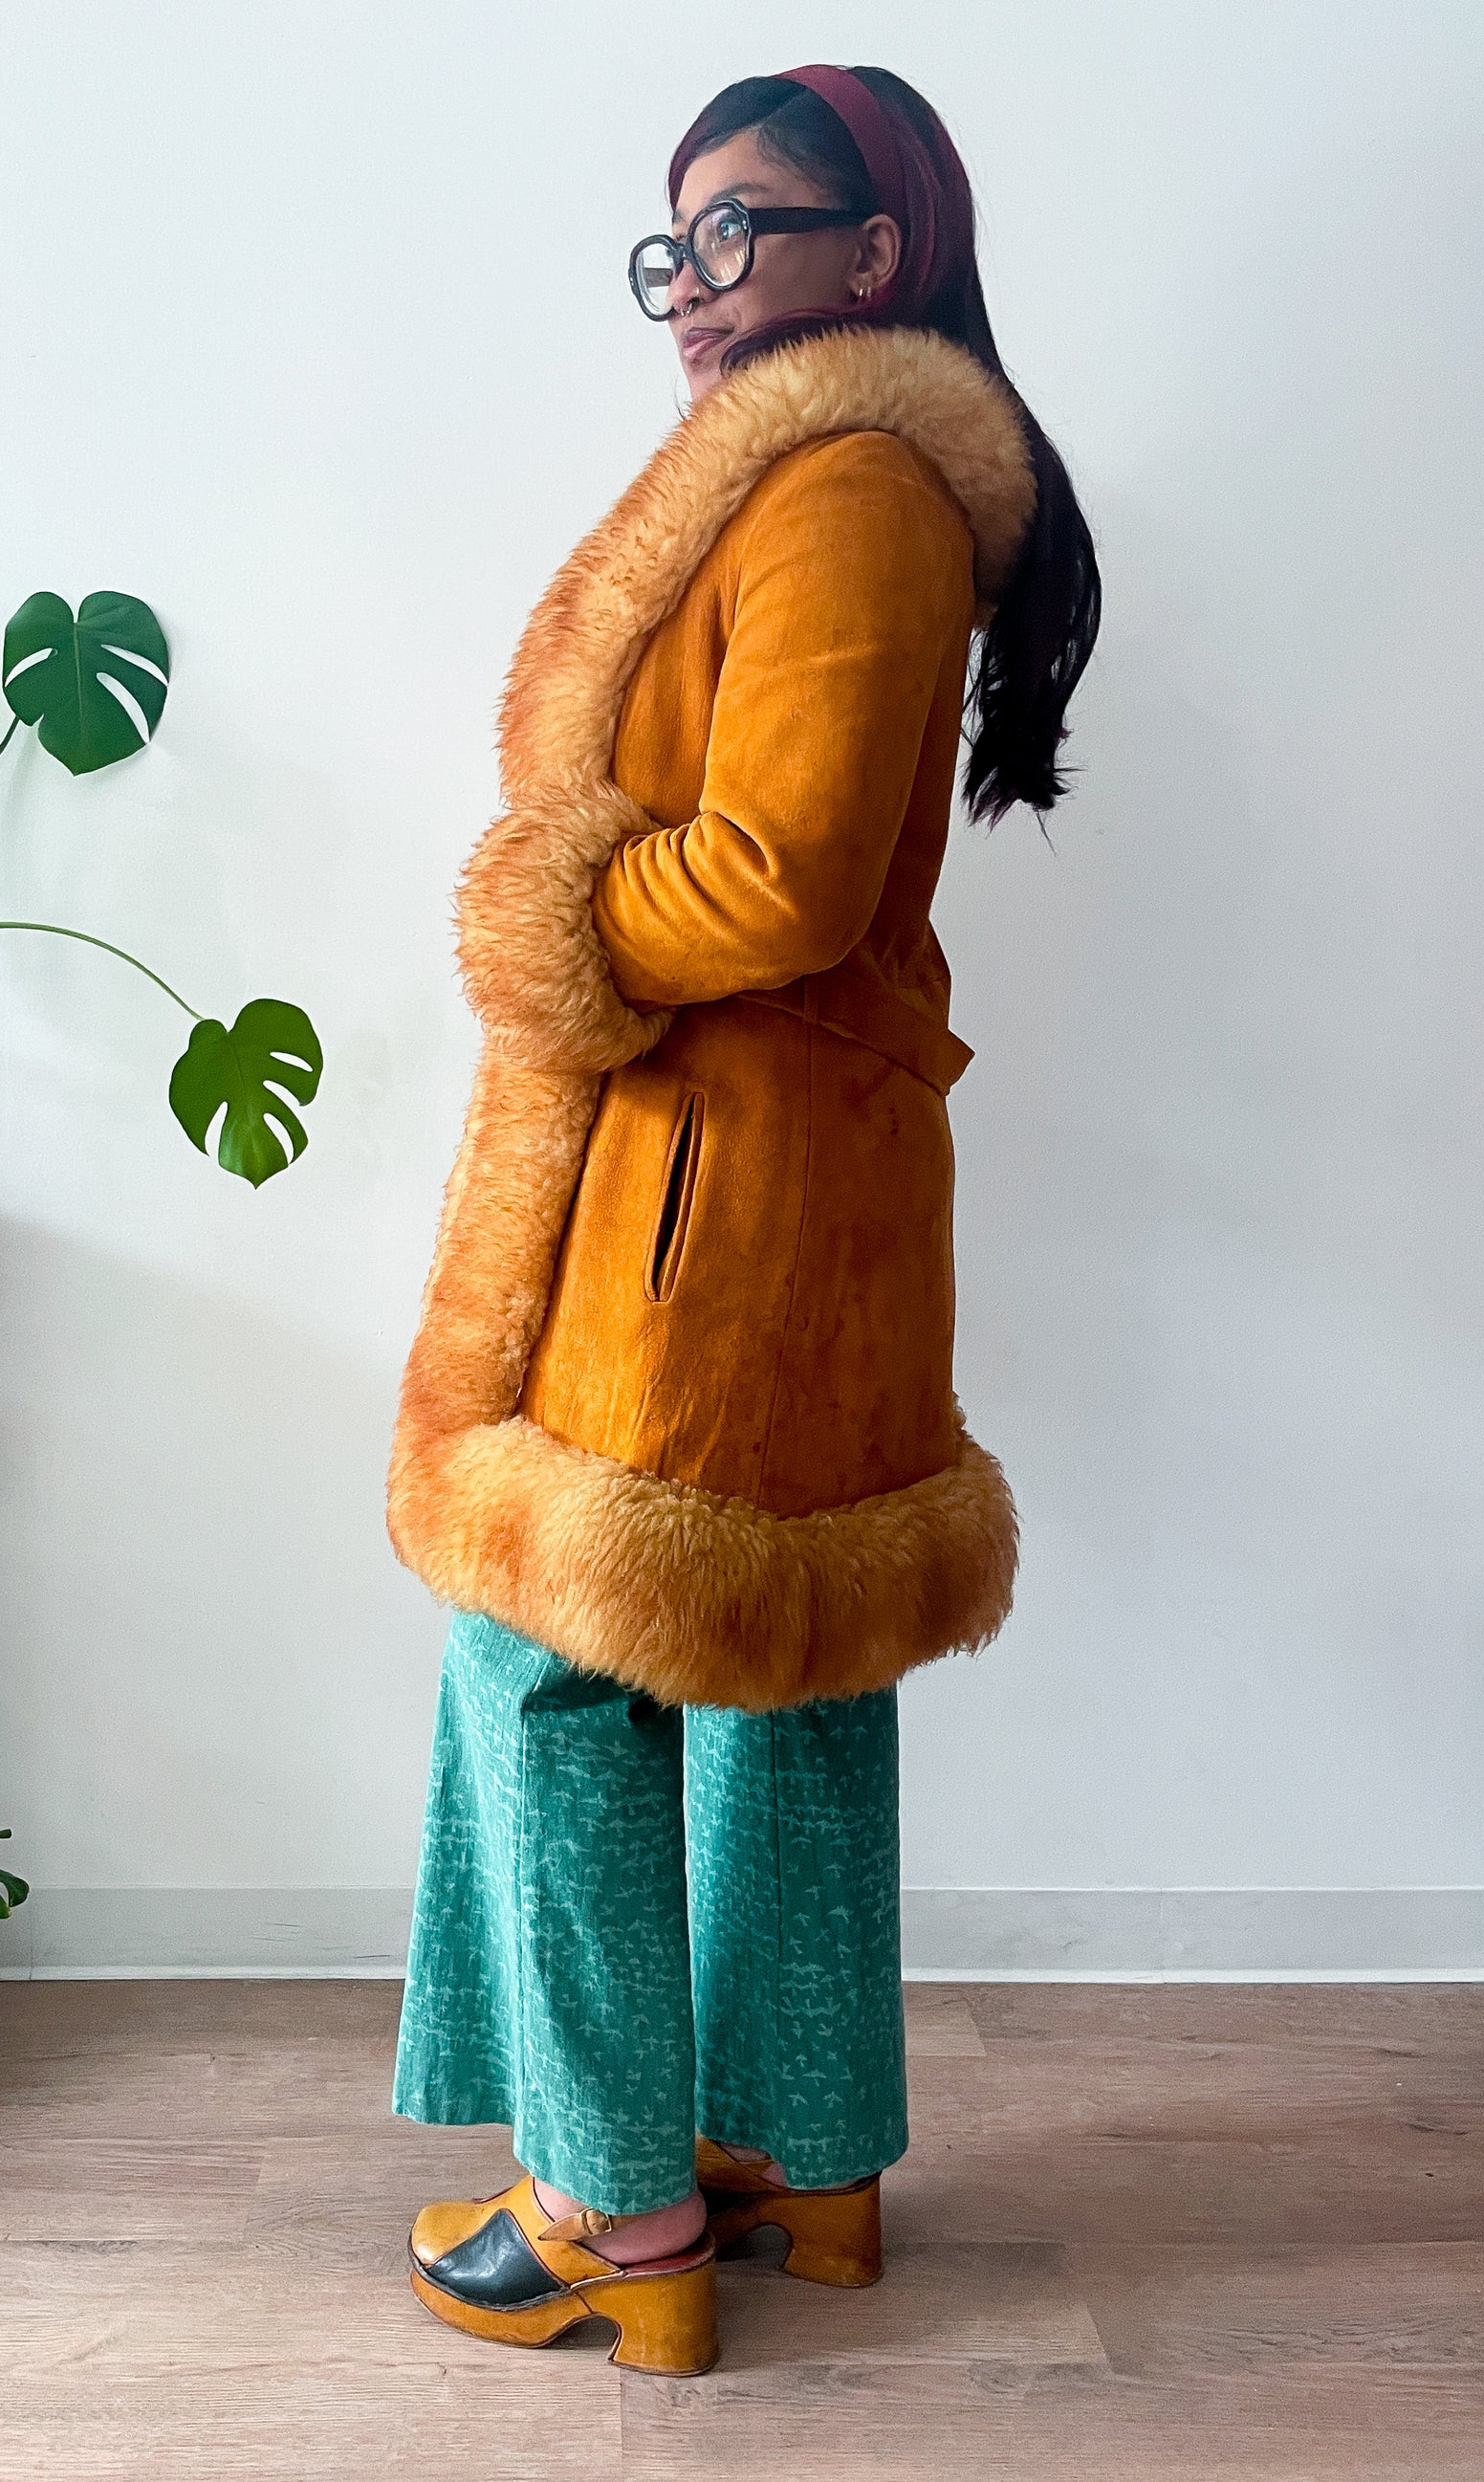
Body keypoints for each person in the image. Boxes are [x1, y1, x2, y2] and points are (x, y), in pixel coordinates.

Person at [386, 64, 1101, 2376]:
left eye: (737, 234)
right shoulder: (833, 479)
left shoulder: (844, 489)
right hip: (779, 1182)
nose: (689, 289)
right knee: (780, 1663)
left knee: (552, 1643)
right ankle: (800, 2156)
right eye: (669, 247)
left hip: (710, 1188)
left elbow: (778, 875)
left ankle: (613, 2204)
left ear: (873, 253)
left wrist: (550, 918)